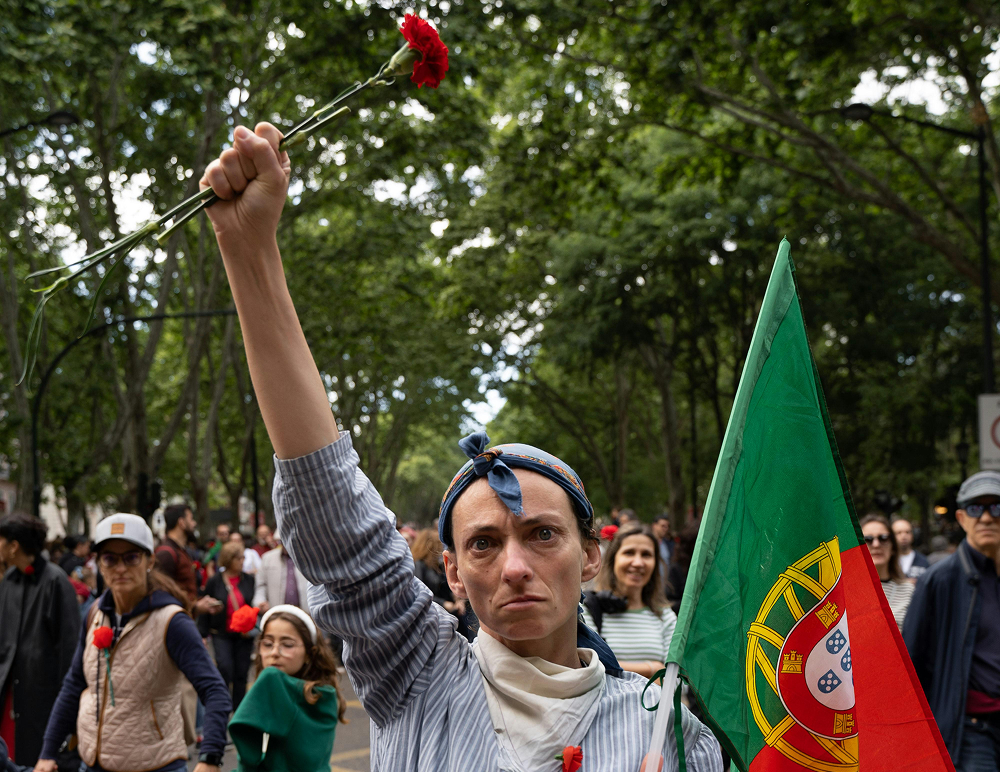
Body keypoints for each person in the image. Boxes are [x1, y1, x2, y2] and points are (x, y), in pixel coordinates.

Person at [194, 121, 720, 770]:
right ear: (451, 572)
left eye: (543, 535)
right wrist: (249, 252)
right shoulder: (416, 671)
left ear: (591, 556)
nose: (516, 566)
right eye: (484, 543)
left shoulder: (672, 736)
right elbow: (330, 504)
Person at [34, 513, 231, 772]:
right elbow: (74, 685)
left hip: (155, 765)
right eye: (110, 558)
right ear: (99, 564)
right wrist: (47, 753)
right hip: (92, 763)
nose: (120, 568)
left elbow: (215, 690)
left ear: (149, 561)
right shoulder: (95, 614)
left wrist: (210, 758)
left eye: (131, 557)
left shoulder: (172, 621)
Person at [904, 471, 1000, 770]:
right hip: (968, 732)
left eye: (996, 507)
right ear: (961, 518)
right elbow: (912, 662)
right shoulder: (940, 580)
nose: (986, 518)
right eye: (975, 508)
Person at [0, 514, 80, 767]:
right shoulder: (9, 582)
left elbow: (70, 649)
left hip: (44, 699)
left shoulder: (56, 581)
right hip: (10, 695)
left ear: (13, 546)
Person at [229, 605, 345, 772]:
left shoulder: (277, 682)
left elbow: (249, 755)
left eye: (288, 645)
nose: (274, 652)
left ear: (309, 653)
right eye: (267, 644)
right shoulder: (318, 690)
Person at [582, 523, 677, 679]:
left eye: (646, 554)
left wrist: (612, 669)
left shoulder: (665, 616)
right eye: (629, 553)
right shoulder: (589, 608)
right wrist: (653, 668)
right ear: (613, 559)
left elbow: (675, 682)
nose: (638, 562)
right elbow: (589, 667)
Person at [200, 542, 257, 711]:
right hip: (221, 633)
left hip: (244, 635)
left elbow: (253, 603)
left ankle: (239, 712)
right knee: (224, 668)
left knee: (242, 673)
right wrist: (202, 633)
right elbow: (205, 608)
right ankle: (222, 707)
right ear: (228, 560)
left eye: (243, 557)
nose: (242, 561)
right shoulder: (215, 582)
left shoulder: (249, 580)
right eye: (239, 558)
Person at [156, 504, 223, 614]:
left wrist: (201, 602)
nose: (194, 523)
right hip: (174, 623)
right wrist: (195, 606)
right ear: (181, 522)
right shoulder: (166, 553)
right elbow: (161, 596)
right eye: (191, 519)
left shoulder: (181, 551)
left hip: (184, 618)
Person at [860, 514, 914, 630]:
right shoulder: (847, 592)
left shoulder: (910, 591)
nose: (876, 544)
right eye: (868, 539)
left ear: (893, 547)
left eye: (883, 538)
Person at [252, 536, 310, 613]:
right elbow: (261, 586)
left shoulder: (308, 557)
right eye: (282, 541)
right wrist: (260, 601)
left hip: (305, 613)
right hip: (277, 615)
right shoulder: (267, 558)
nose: (286, 544)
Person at [651, 514, 674, 588]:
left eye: (667, 526)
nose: (666, 528)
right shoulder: (646, 543)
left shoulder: (669, 544)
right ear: (654, 526)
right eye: (663, 526)